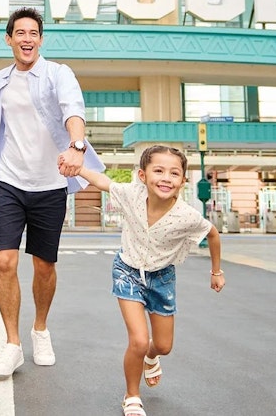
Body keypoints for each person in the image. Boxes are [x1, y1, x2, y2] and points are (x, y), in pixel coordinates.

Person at [0, 6, 106, 378]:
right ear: (9, 38)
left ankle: (41, 329)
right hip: (10, 182)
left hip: (50, 184)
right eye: (20, 33)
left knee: (44, 265)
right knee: (4, 261)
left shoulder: (57, 74)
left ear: (40, 39)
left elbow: (73, 110)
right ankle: (13, 344)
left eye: (33, 33)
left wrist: (76, 146)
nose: (27, 39)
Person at [77, 145, 225, 416]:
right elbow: (102, 181)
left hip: (162, 278)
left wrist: (216, 271)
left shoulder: (187, 216)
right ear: (142, 176)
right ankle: (132, 395)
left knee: (163, 346)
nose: (166, 178)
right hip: (127, 271)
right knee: (138, 340)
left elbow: (213, 235)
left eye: (174, 173)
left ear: (183, 181)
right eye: (158, 170)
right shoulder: (131, 195)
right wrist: (78, 167)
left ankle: (152, 357)